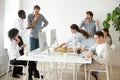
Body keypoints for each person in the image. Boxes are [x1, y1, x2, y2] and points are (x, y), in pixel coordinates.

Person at [27, 5, 48, 80]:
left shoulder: (41, 15)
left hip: (39, 36)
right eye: (36, 11)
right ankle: (30, 74)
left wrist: (42, 27)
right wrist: (35, 20)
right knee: (32, 55)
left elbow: (47, 22)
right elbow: (28, 26)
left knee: (37, 55)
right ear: (33, 10)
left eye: (38, 11)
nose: (37, 13)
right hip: (32, 37)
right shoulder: (29, 16)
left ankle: (35, 71)